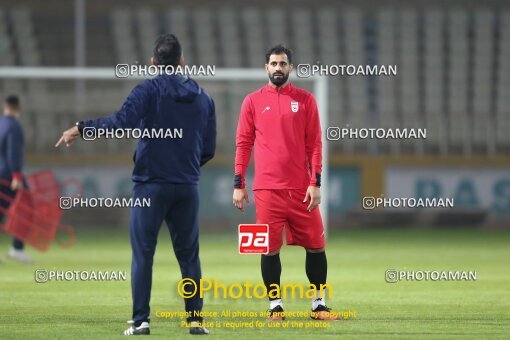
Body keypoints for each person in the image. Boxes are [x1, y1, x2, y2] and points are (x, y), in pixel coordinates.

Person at [56, 34, 216, 335]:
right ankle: (195, 321)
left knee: (144, 253)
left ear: (153, 62)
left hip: (150, 186)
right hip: (186, 187)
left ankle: (142, 321)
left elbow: (121, 123)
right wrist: (185, 169)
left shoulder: (147, 90)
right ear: (181, 61)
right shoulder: (204, 97)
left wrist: (82, 127)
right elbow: (208, 148)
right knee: (189, 256)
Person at [232, 44, 338, 320]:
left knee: (316, 245)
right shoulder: (252, 102)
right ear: (266, 68)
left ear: (290, 68)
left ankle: (318, 305)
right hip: (267, 190)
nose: (278, 68)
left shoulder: (305, 100)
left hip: (302, 189)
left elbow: (315, 144)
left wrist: (316, 182)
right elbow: (243, 144)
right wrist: (238, 184)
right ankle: (275, 307)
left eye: (283, 63)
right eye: (274, 63)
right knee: (268, 249)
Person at [0, 95, 32, 264]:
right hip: (8, 176)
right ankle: (17, 249)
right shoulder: (13, 126)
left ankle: (17, 249)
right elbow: (14, 152)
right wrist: (17, 176)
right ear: (17, 107)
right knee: (27, 208)